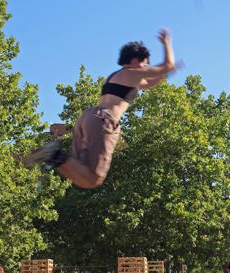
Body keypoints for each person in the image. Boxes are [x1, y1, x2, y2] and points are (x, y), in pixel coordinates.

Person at [23, 30, 179, 189]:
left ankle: (54, 157)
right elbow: (167, 65)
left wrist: (165, 75)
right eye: (145, 64)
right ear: (135, 60)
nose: (146, 68)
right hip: (105, 120)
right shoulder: (133, 73)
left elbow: (148, 84)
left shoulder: (117, 76)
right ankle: (53, 154)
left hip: (88, 117)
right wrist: (167, 43)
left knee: (80, 173)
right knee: (93, 179)